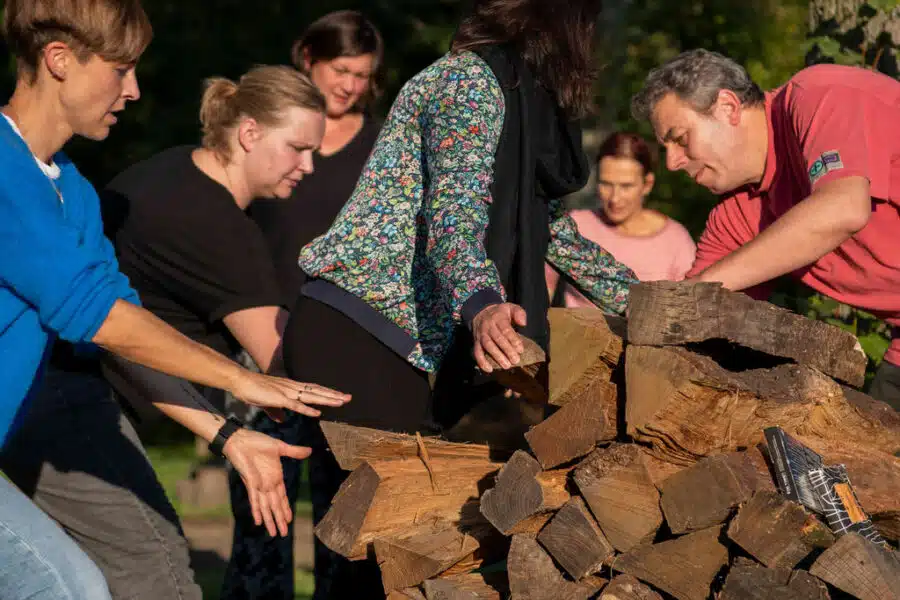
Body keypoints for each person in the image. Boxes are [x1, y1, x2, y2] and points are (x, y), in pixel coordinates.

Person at [282, 0, 637, 596]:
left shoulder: (516, 99)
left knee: (390, 557)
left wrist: (647, 303)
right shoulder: (469, 83)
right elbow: (454, 214)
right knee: (382, 556)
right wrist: (481, 303)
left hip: (398, 344)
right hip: (359, 330)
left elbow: (552, 232)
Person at [0, 2, 348, 599]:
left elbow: (122, 326)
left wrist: (227, 435)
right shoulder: (5, 172)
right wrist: (244, 382)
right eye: (121, 69)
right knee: (67, 586)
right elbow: (96, 314)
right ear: (59, 60)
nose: (134, 90)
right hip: (53, 414)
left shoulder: (74, 193)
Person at [630, 48, 900, 409]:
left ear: (727, 107)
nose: (672, 162)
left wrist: (699, 289)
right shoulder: (735, 216)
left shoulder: (820, 95)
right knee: (875, 441)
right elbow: (691, 314)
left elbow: (843, 207)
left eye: (680, 139)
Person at [223, 11, 384, 599]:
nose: (351, 85)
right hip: (259, 339)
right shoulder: (264, 136)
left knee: (343, 512)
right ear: (308, 59)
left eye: (363, 75)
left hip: (348, 346)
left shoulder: (383, 145)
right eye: (341, 70)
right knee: (262, 507)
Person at [545, 132, 696, 307]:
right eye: (606, 184)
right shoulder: (575, 226)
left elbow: (690, 307)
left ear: (647, 184)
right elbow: (540, 291)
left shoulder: (675, 240)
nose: (615, 198)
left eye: (626, 186)